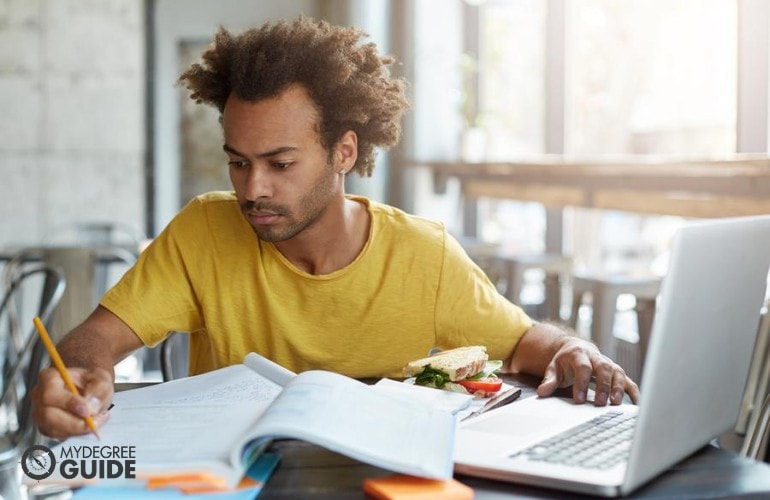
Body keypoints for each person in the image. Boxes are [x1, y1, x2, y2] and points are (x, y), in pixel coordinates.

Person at [32, 15, 638, 440]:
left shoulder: (421, 256)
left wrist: (574, 347)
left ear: (344, 152)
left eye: (281, 163)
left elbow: (529, 343)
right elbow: (93, 342)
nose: (253, 188)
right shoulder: (203, 232)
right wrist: (82, 373)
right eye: (238, 161)